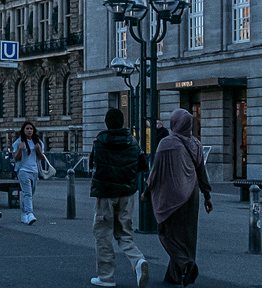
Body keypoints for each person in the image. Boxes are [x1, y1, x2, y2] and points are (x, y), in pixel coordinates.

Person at [147, 109, 212, 286]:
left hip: (171, 197)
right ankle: (173, 276)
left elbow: (155, 171)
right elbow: (201, 172)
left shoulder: (166, 143)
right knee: (188, 236)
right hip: (192, 196)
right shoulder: (196, 144)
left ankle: (186, 264)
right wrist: (207, 196)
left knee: (165, 233)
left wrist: (146, 191)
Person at [90, 107, 149, 288]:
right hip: (126, 193)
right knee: (125, 233)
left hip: (106, 193)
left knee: (103, 233)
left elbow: (94, 163)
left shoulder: (100, 141)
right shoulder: (132, 142)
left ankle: (106, 277)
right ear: (122, 122)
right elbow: (142, 165)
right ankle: (138, 260)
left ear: (106, 123)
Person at [11, 120, 45, 225]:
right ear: (23, 130)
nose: (29, 131)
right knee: (27, 193)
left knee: (30, 194)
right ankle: (30, 214)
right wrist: (20, 150)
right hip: (23, 170)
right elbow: (16, 159)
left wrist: (38, 150)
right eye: (27, 129)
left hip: (34, 171)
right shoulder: (18, 142)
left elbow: (41, 158)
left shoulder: (38, 142)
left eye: (31, 129)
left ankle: (23, 214)